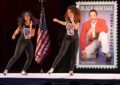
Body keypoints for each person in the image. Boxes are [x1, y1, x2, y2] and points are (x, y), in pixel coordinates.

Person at [47, 5, 82, 76]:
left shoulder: (77, 19)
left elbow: (75, 28)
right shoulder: (68, 18)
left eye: (70, 12)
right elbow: (65, 23)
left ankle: (71, 70)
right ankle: (52, 69)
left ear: (74, 12)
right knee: (61, 53)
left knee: (74, 55)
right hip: (67, 38)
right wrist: (57, 21)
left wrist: (72, 20)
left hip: (75, 39)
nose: (69, 14)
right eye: (68, 13)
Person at [3, 11, 36, 75]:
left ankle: (23, 70)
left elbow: (32, 35)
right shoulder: (22, 24)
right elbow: (17, 30)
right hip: (22, 42)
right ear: (24, 17)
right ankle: (6, 70)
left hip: (28, 42)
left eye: (28, 15)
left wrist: (31, 26)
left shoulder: (33, 24)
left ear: (30, 17)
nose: (27, 16)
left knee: (30, 57)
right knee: (16, 56)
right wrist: (14, 34)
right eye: (26, 15)